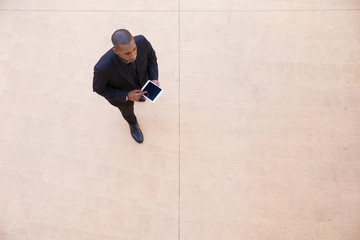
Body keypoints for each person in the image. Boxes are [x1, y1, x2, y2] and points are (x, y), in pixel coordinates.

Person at [93, 29, 159, 144]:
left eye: (134, 49)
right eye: (127, 53)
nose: (133, 55)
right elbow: (99, 89)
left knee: (142, 92)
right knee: (127, 112)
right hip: (122, 96)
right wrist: (127, 96)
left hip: (141, 82)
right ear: (116, 51)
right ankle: (133, 124)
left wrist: (153, 78)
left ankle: (140, 96)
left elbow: (151, 57)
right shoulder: (102, 68)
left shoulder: (142, 41)